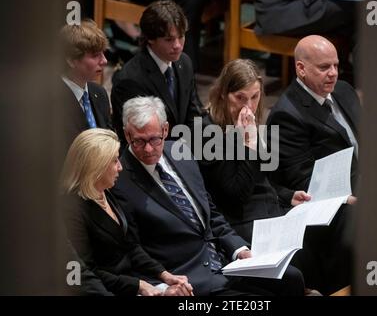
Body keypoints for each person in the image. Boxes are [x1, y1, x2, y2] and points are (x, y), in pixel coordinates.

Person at [112, 96, 305, 296]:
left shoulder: (180, 151)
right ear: (127, 135)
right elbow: (132, 249)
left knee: (292, 278)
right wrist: (160, 286)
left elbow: (211, 213)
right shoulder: (119, 180)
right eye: (139, 141)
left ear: (165, 130)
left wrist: (239, 250)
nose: (149, 149)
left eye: (154, 139)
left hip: (226, 262)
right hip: (188, 279)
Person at [266, 35, 360, 294]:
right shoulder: (287, 115)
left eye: (336, 65)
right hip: (329, 201)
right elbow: (302, 179)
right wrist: (348, 197)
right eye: (324, 67)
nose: (333, 74)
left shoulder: (344, 90)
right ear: (301, 69)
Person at [61, 128, 193, 296]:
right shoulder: (71, 210)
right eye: (115, 160)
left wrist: (164, 275)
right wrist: (139, 285)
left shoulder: (107, 192)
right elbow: (87, 272)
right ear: (96, 166)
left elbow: (130, 246)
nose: (120, 167)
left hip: (134, 280)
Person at [198, 58, 311, 242]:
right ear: (223, 94)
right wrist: (248, 144)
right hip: (242, 221)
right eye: (240, 97)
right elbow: (236, 195)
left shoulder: (248, 121)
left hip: (268, 207)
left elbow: (259, 178)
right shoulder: (207, 133)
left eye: (254, 97)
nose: (248, 107)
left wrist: (286, 195)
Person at [111, 0, 204, 147]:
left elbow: (194, 113)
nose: (178, 46)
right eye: (169, 39)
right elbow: (141, 141)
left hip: (183, 148)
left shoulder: (184, 62)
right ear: (150, 39)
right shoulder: (130, 81)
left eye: (181, 37)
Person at [58, 19, 113, 149]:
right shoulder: (52, 102)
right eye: (95, 56)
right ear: (71, 60)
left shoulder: (99, 93)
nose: (104, 61)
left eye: (103, 53)